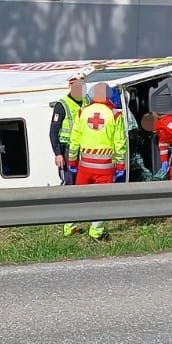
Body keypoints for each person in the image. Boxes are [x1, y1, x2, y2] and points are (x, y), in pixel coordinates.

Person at [67, 82, 127, 241]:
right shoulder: (115, 114)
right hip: (105, 166)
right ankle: (96, 231)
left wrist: (72, 161)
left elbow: (75, 140)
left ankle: (69, 225)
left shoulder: (82, 112)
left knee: (79, 197)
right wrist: (121, 165)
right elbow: (119, 143)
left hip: (84, 165)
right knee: (102, 200)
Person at [50, 76, 87, 235]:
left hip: (82, 150)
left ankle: (80, 219)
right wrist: (58, 153)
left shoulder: (87, 102)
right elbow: (53, 132)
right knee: (69, 184)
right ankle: (68, 224)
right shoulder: (62, 105)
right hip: (66, 150)